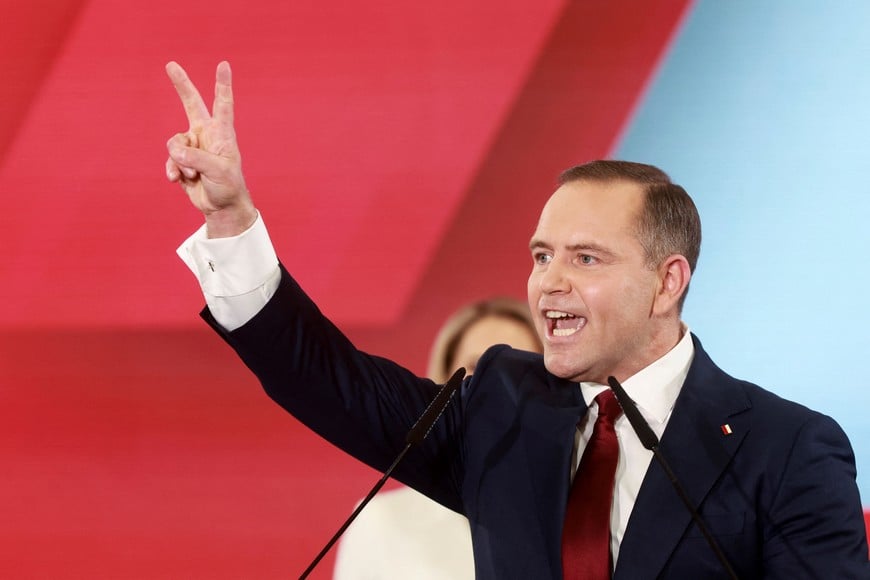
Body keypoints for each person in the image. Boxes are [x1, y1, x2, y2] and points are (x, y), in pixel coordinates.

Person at [165, 61, 870, 579]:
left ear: (667, 283)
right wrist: (232, 222)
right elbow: (326, 380)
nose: (548, 283)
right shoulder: (503, 407)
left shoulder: (787, 449)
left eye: (587, 259)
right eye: (541, 255)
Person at [333, 297, 543, 580]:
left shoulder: (586, 520)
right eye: (476, 368)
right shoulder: (379, 523)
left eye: (520, 369)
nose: (497, 385)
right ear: (441, 388)